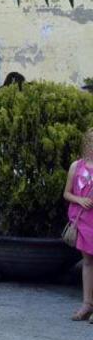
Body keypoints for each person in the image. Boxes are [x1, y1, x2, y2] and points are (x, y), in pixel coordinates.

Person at [64, 129, 93, 323]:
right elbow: (66, 193)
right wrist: (80, 200)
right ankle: (87, 303)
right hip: (83, 220)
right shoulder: (77, 166)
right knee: (88, 262)